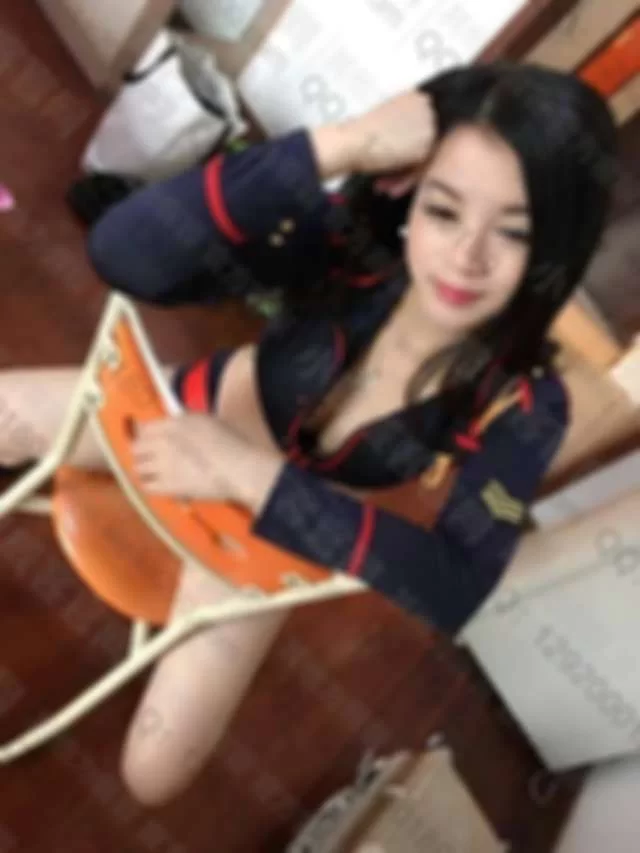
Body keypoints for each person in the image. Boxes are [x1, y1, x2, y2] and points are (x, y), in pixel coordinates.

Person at [0, 62, 617, 805]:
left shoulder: (529, 404)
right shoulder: (358, 251)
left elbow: (453, 587)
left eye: (514, 232)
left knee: (153, 773)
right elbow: (121, 251)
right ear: (413, 190)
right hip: (186, 411)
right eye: (444, 210)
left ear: (556, 249)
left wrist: (242, 475)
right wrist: (340, 144)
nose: (466, 256)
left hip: (271, 529)